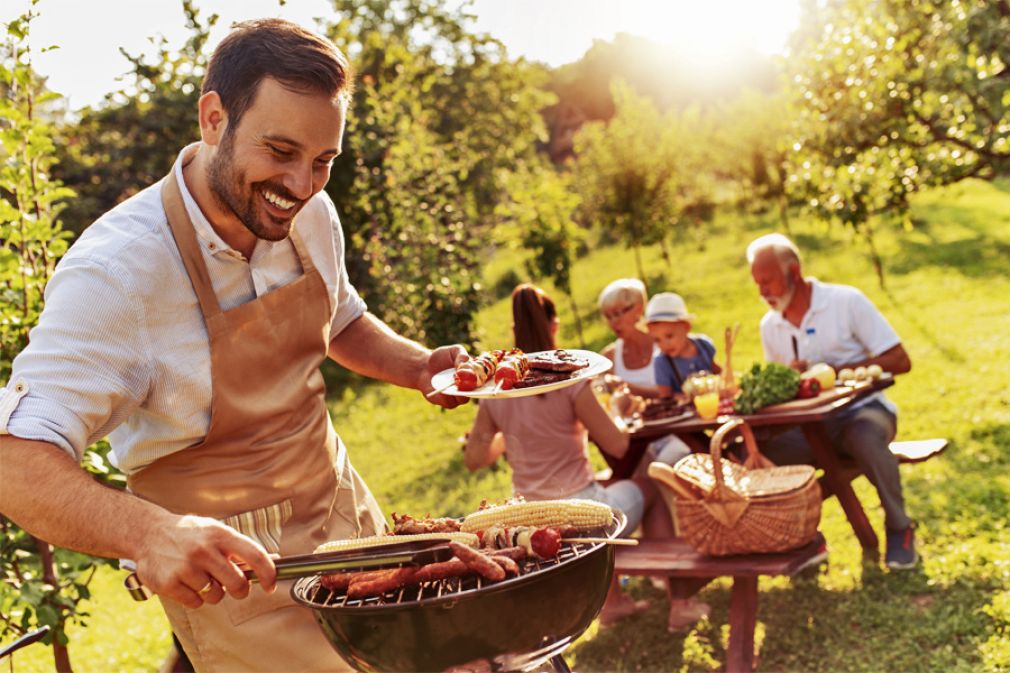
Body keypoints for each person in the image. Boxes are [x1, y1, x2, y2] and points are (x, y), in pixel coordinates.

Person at [0, 19, 468, 672]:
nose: (302, 186)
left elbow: (341, 319)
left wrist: (418, 366)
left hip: (345, 528)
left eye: (322, 162)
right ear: (214, 118)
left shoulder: (309, 215)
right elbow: (15, 463)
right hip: (236, 583)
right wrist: (148, 531)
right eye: (280, 151)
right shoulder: (117, 273)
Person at [464, 284, 708, 632]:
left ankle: (614, 604)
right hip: (580, 510)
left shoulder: (495, 391)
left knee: (613, 484)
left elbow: (474, 458)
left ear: (514, 330)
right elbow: (618, 444)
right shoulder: (568, 380)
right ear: (553, 326)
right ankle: (680, 602)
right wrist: (622, 409)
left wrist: (509, 436)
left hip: (528, 519)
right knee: (649, 488)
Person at [746, 233, 917, 569]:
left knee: (864, 438)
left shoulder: (846, 301)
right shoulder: (771, 325)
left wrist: (835, 370)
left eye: (767, 281)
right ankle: (806, 540)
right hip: (811, 427)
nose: (762, 292)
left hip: (865, 412)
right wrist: (791, 380)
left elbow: (900, 360)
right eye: (756, 283)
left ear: (794, 272)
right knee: (758, 457)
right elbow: (783, 391)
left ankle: (900, 528)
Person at [645, 292, 721, 400]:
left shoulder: (703, 345)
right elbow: (665, 396)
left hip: (713, 404)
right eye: (657, 340)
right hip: (686, 413)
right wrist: (684, 398)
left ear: (686, 327)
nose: (664, 345)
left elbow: (717, 371)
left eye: (669, 336)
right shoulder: (662, 362)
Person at [598, 278, 662, 399]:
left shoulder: (663, 344)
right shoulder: (608, 358)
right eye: (608, 316)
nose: (613, 322)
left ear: (639, 308)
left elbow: (676, 392)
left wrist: (625, 386)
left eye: (617, 313)